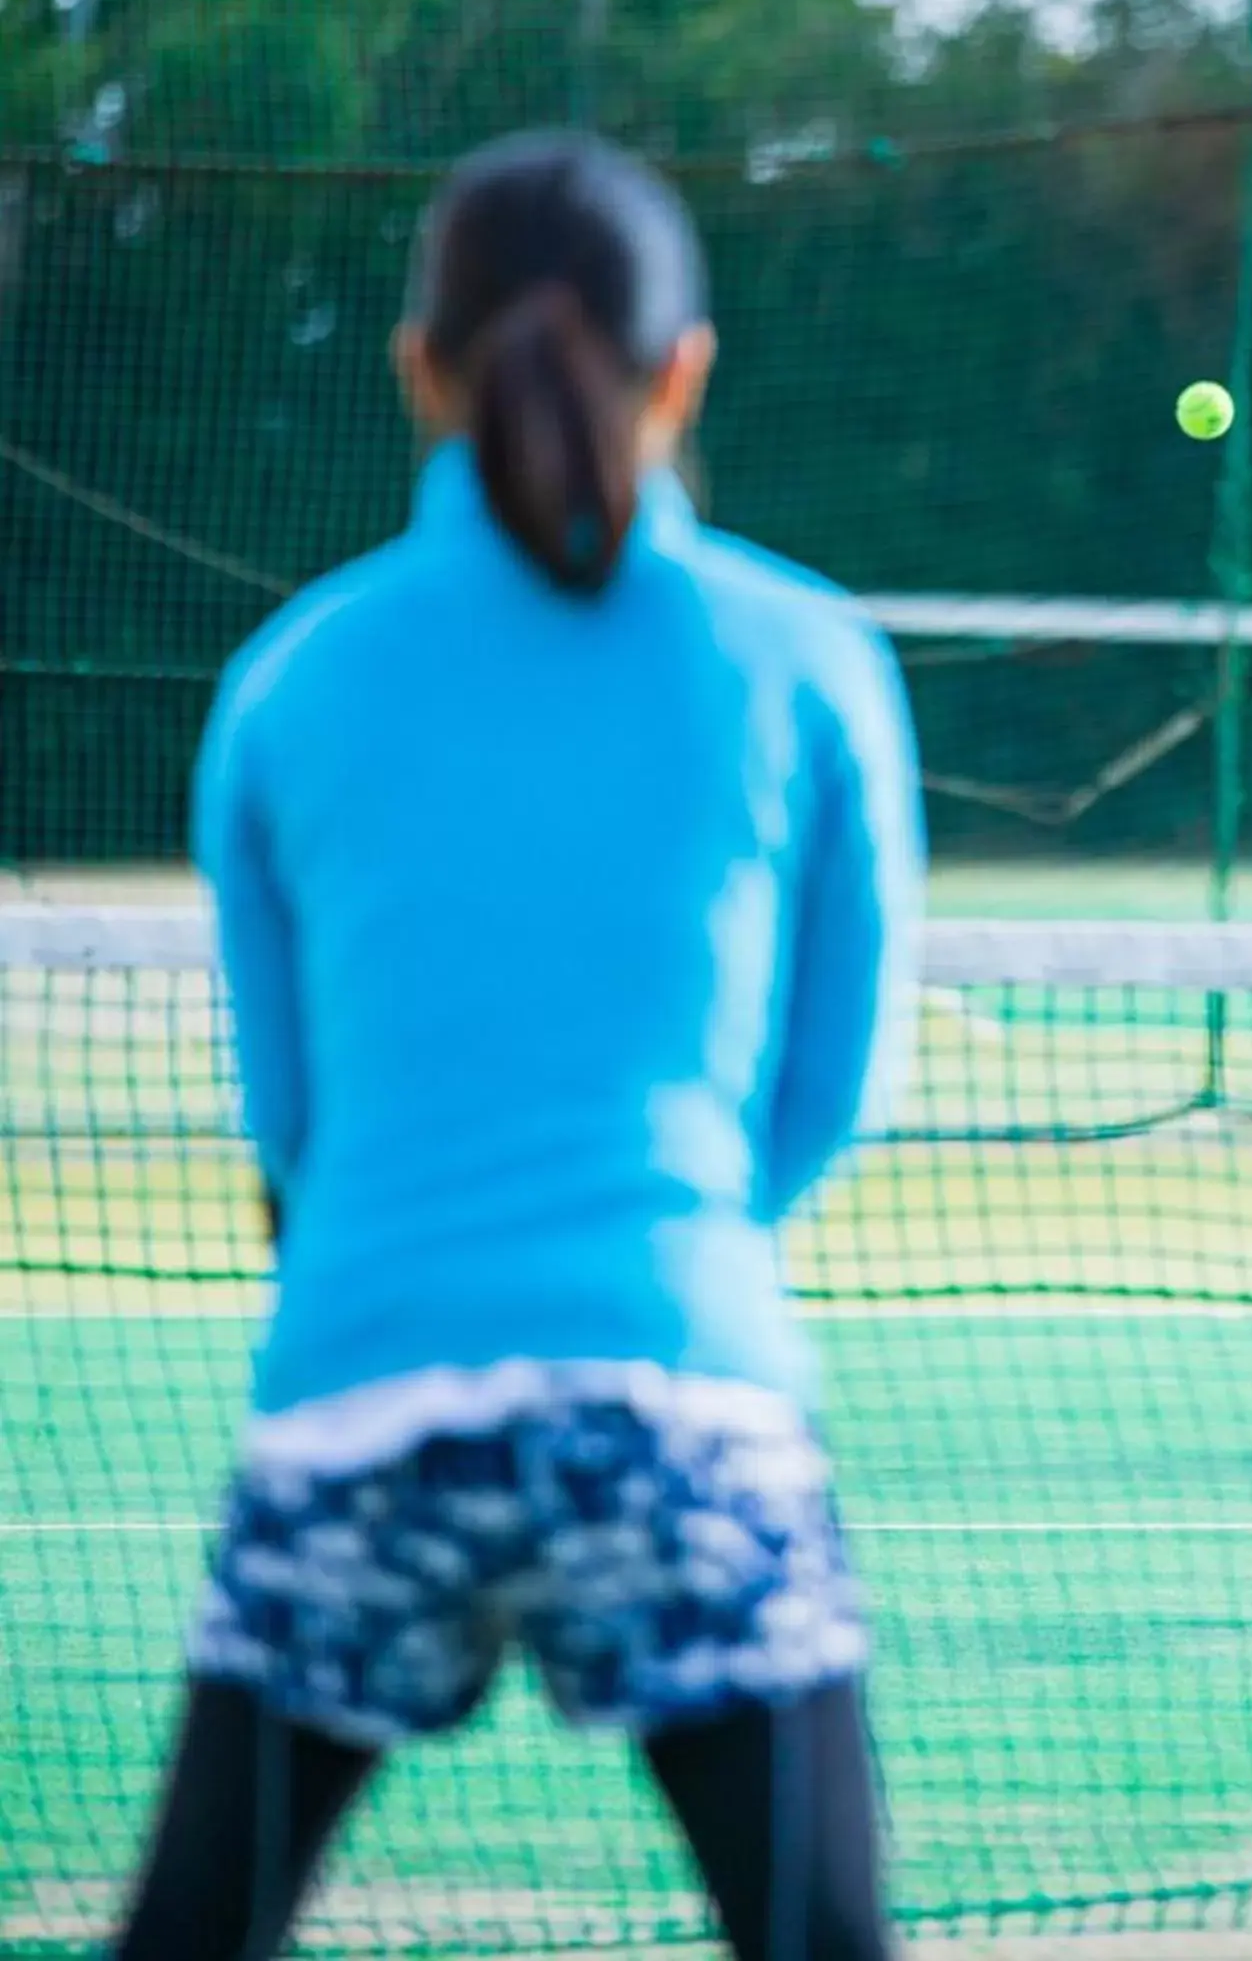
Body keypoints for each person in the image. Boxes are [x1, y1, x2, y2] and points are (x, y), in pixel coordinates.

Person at [113, 131, 923, 1960]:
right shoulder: (812, 658)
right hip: (684, 1393)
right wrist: (667, 1245)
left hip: (358, 1395)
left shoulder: (290, 679)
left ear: (417, 371)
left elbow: (296, 1126)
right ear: (687, 369)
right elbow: (827, 1098)